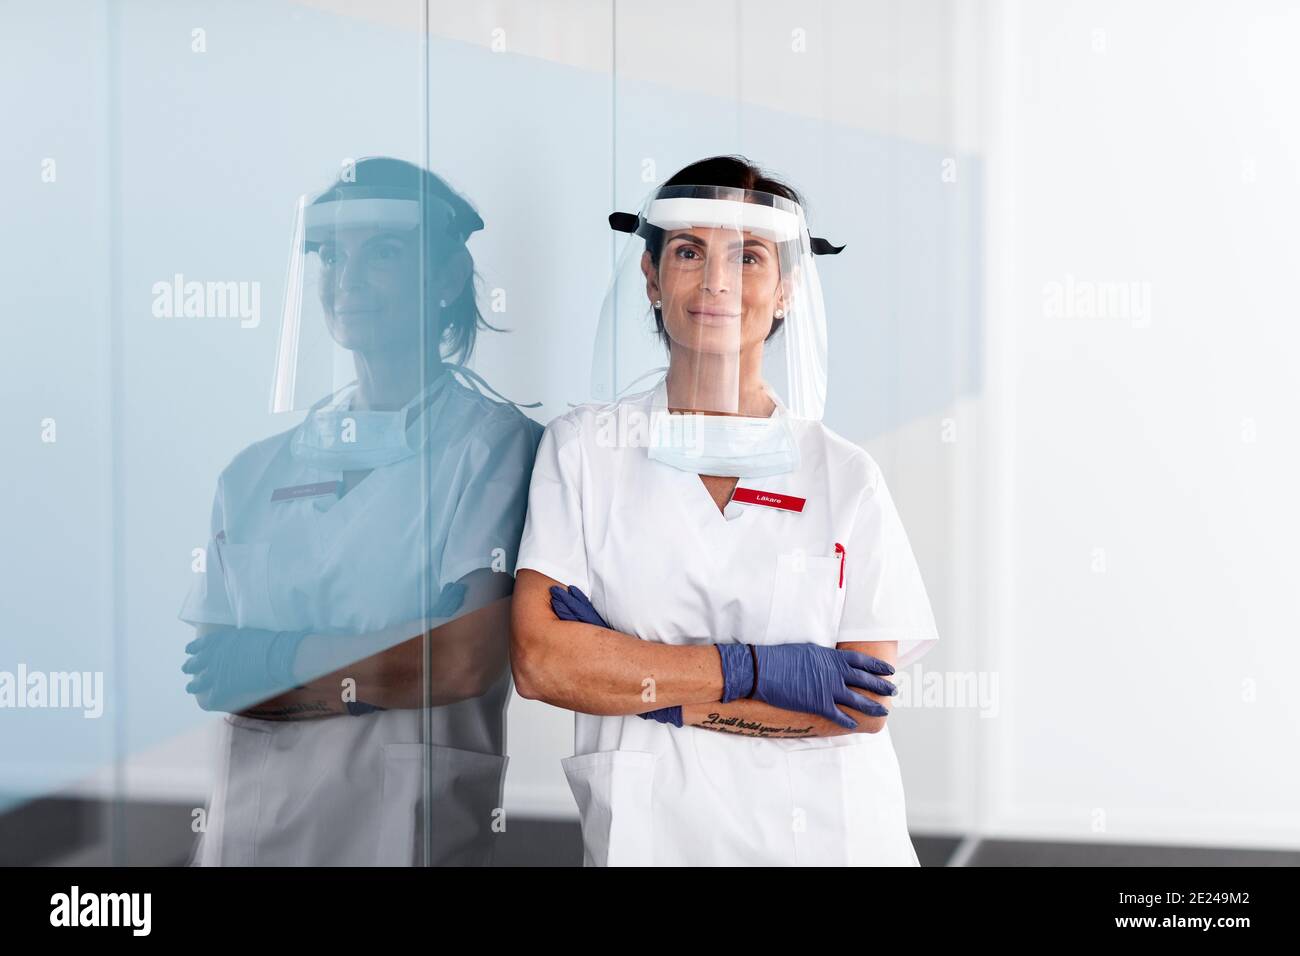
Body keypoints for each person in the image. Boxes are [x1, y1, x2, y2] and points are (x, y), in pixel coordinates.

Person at [510, 155, 939, 866]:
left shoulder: (845, 476)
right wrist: (751, 671)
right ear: (650, 278)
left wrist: (642, 684)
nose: (716, 281)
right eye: (688, 251)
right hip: (656, 842)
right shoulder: (585, 449)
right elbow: (543, 662)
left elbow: (861, 705)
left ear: (786, 291)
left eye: (749, 257)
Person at [178, 157, 541, 865]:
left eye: (384, 253)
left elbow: (463, 659)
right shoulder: (253, 473)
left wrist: (275, 662)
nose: (347, 280)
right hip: (254, 828)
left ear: (443, 281)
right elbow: (216, 675)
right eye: (331, 256)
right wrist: (396, 655)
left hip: (403, 828)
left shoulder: (495, 448)